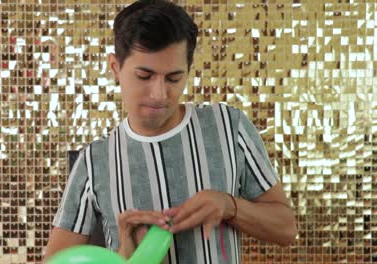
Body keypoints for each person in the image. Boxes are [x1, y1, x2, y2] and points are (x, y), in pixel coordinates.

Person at [45, 0, 297, 263]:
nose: (159, 94)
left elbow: (286, 229)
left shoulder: (229, 126)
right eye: (144, 76)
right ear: (116, 68)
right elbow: (57, 260)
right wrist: (123, 256)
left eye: (174, 78)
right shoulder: (94, 160)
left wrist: (230, 206)